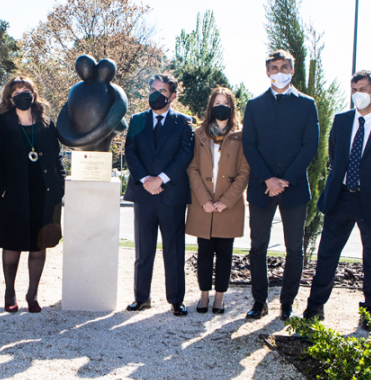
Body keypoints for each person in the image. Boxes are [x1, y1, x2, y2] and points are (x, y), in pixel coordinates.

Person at [302, 71, 371, 321]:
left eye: (362, 89)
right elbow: (334, 156)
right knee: (327, 255)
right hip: (341, 198)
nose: (357, 94)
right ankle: (315, 307)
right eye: (354, 89)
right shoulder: (341, 120)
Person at [242, 50, 319, 321]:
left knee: (294, 248)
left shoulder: (307, 104)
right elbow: (249, 145)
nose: (279, 71)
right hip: (262, 188)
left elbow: (310, 145)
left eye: (284, 67)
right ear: (267, 72)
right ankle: (259, 302)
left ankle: (287, 303)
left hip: (294, 189)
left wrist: (286, 180)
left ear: (292, 70)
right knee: (258, 246)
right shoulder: (254, 105)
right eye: (274, 67)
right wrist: (268, 179)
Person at [0, 76, 65, 313]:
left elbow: (56, 156)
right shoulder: (2, 123)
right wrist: (2, 189)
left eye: (26, 90)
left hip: (44, 193)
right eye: (16, 91)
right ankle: (10, 291)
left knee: (38, 245)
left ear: (34, 93)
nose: (22, 94)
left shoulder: (46, 123)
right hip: (13, 194)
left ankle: (32, 293)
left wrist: (59, 184)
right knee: (12, 244)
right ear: (10, 98)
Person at [124, 74, 195, 316]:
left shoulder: (185, 123)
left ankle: (176, 300)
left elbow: (185, 155)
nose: (156, 94)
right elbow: (130, 152)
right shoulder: (136, 120)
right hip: (144, 194)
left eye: (162, 90)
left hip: (171, 195)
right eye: (152, 89)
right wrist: (146, 180)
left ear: (172, 96)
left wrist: (161, 179)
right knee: (143, 250)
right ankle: (141, 298)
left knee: (174, 251)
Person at [186, 88, 250, 314]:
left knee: (225, 253)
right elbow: (192, 168)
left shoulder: (241, 135)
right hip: (203, 204)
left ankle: (220, 297)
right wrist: (204, 199)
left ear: (232, 107)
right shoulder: (198, 133)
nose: (220, 107)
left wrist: (227, 201)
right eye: (216, 103)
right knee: (203, 252)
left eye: (225, 102)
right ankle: (203, 295)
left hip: (228, 206)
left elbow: (244, 172)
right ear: (210, 107)